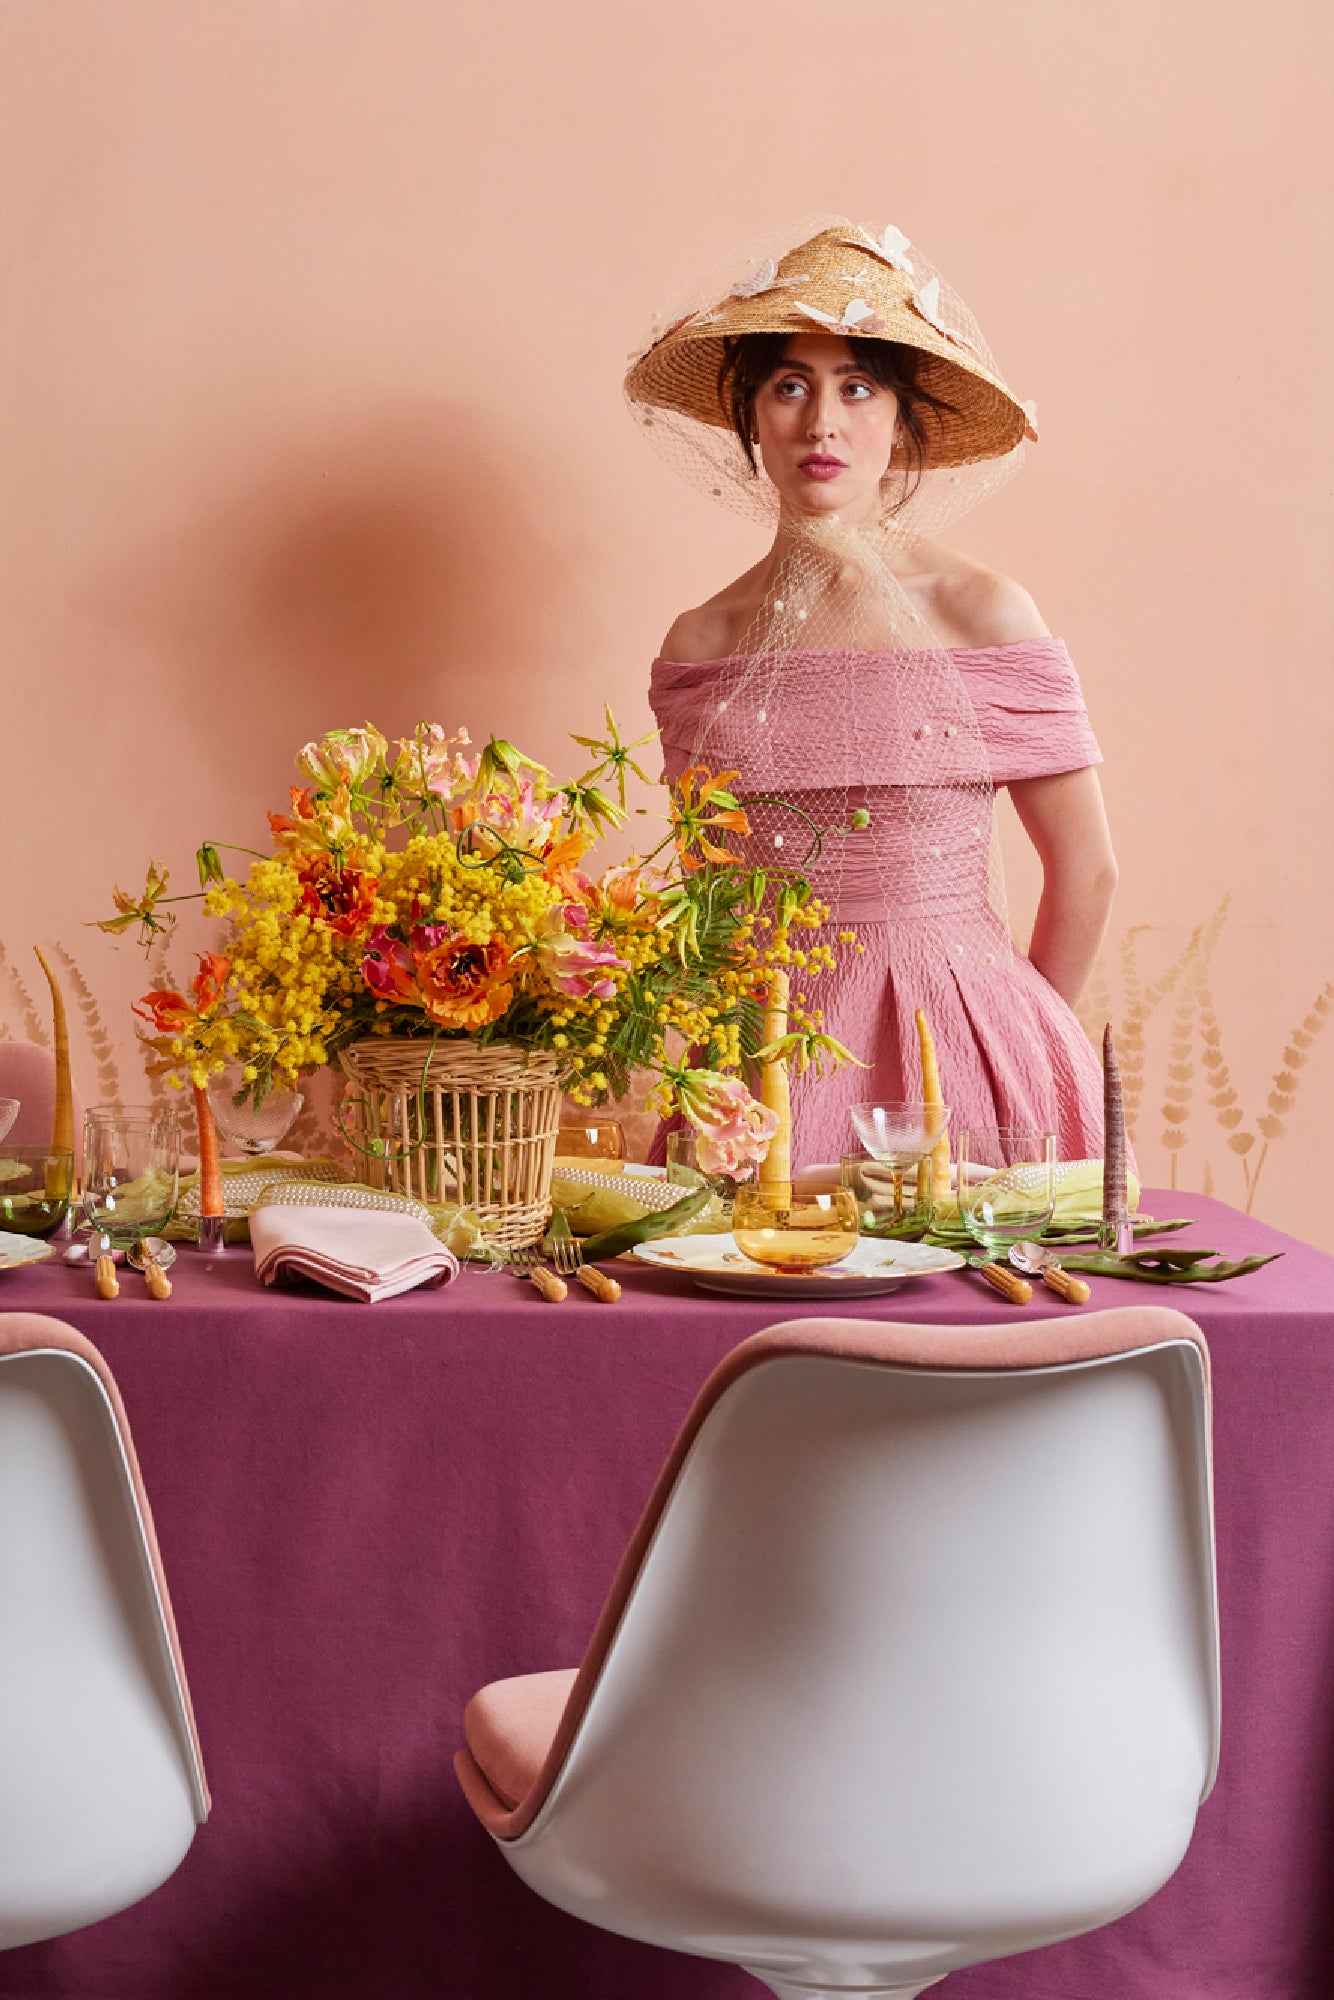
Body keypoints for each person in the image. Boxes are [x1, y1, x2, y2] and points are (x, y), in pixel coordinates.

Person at [626, 218, 1115, 1165]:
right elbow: (711, 907)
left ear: (900, 420)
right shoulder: (702, 643)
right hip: (769, 1062)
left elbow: (1088, 871)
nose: (822, 423)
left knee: (988, 1301)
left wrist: (1024, 1040)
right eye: (789, 387)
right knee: (749, 1299)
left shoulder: (984, 612)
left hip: (972, 1045)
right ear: (750, 417)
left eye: (857, 387)